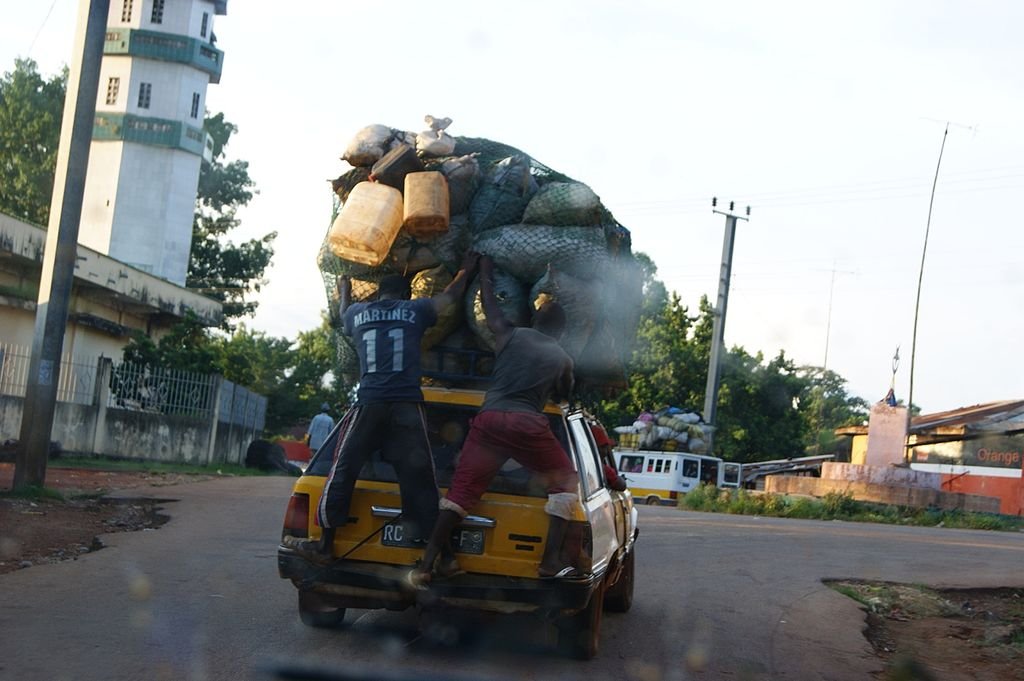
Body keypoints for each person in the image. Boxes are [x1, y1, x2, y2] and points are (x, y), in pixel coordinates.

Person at [284, 252, 481, 565]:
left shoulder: (359, 314)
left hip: (370, 403)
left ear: (378, 294)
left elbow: (343, 310)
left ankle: (325, 545)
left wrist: (345, 285)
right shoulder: (415, 310)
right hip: (406, 405)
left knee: (344, 469)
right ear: (404, 294)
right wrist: (466, 270)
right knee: (420, 476)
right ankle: (440, 556)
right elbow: (450, 298)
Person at [408, 255, 578, 589]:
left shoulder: (511, 336)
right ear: (560, 332)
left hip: (488, 422)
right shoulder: (562, 357)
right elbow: (565, 394)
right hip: (527, 425)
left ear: (534, 320)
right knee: (565, 482)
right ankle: (549, 561)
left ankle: (427, 565)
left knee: (461, 492)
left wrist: (484, 272)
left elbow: (489, 309)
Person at [591, 422, 627, 492]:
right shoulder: (598, 467)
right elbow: (621, 486)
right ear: (595, 448)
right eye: (604, 447)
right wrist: (621, 479)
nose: (606, 452)